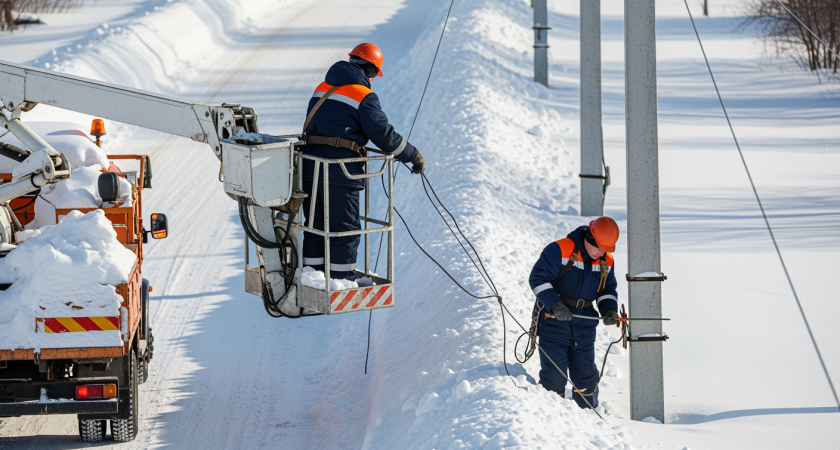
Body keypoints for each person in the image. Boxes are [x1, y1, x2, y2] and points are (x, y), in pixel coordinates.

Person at [301, 43, 425, 281]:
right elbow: (383, 134)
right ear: (370, 72)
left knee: (315, 226)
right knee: (345, 230)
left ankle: (311, 278)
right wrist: (412, 155)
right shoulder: (363, 95)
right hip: (340, 173)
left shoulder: (322, 87)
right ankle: (340, 283)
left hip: (310, 168)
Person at [528, 216, 620, 408]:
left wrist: (609, 309)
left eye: (606, 249)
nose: (601, 253)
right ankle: (551, 414)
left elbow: (607, 290)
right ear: (589, 238)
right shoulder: (560, 250)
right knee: (554, 377)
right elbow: (538, 278)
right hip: (553, 324)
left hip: (584, 327)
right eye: (599, 248)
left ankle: (588, 416)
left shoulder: (606, 260)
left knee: (586, 377)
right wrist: (555, 305)